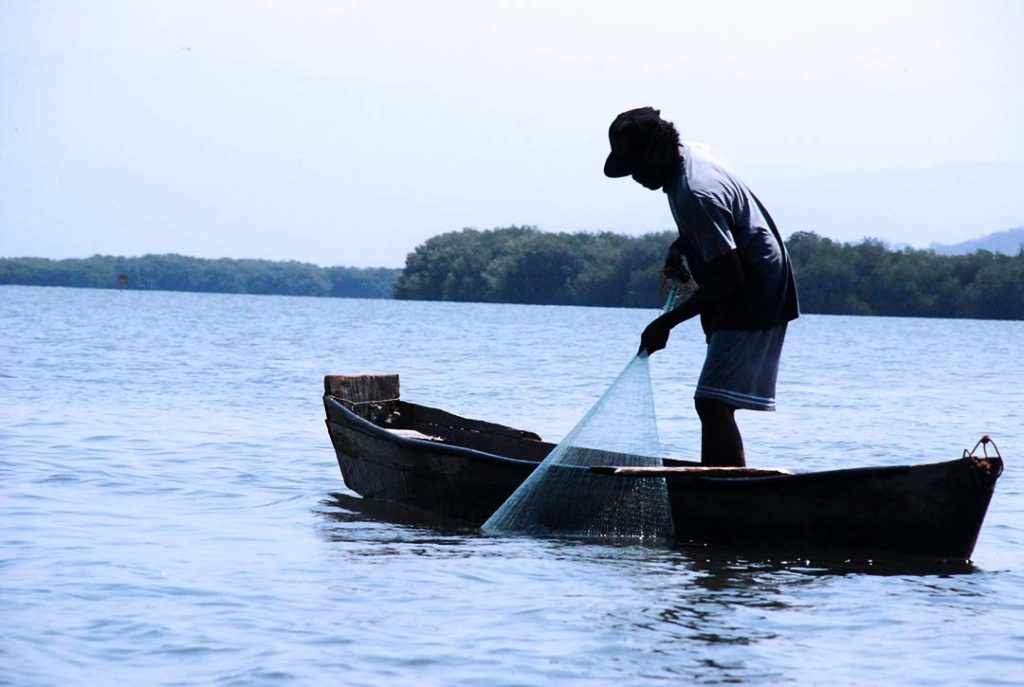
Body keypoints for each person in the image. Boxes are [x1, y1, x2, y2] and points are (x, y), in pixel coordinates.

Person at [604, 107, 799, 467]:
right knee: (713, 401)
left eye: (636, 166)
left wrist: (666, 323)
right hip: (745, 276)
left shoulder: (696, 191)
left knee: (712, 402)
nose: (634, 177)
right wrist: (682, 246)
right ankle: (720, 483)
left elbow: (729, 278)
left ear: (658, 149)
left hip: (757, 285)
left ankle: (728, 495)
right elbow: (724, 226)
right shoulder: (689, 156)